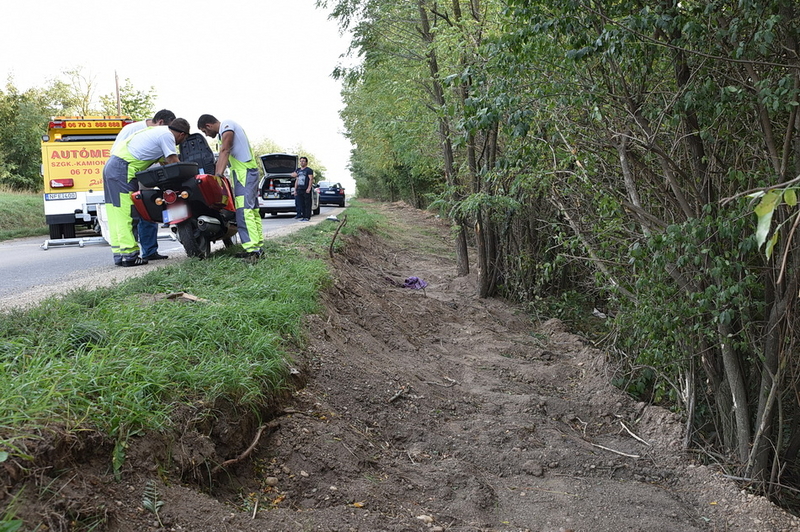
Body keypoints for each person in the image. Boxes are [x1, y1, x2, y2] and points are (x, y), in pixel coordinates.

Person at [103, 118, 192, 266]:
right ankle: (130, 256)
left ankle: (120, 255)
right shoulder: (167, 136)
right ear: (182, 134)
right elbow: (173, 161)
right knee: (127, 213)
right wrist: (188, 177)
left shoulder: (157, 132)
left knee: (115, 212)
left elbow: (164, 161)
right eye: (183, 140)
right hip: (123, 170)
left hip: (112, 167)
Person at [110, 109, 176, 261]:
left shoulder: (158, 133)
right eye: (170, 128)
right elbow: (116, 153)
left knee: (149, 209)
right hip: (129, 173)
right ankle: (130, 253)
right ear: (161, 123)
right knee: (130, 213)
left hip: (147, 176)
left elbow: (164, 158)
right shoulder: (133, 129)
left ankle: (149, 251)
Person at [197, 114, 265, 260]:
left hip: (244, 173)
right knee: (252, 210)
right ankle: (257, 246)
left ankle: (252, 250)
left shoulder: (227, 125)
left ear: (208, 125)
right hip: (244, 172)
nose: (206, 135)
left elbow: (225, 150)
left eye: (204, 131)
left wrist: (217, 176)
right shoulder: (224, 130)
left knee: (244, 212)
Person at [292, 156, 314, 221]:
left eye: (303, 161)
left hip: (306, 189)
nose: (302, 162)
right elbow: (296, 179)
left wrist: (309, 188)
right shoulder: (298, 170)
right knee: (301, 204)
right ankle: (303, 216)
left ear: (306, 162)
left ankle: (307, 217)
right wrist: (295, 190)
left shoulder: (309, 170)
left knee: (307, 203)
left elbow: (311, 179)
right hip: (299, 189)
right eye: (301, 161)